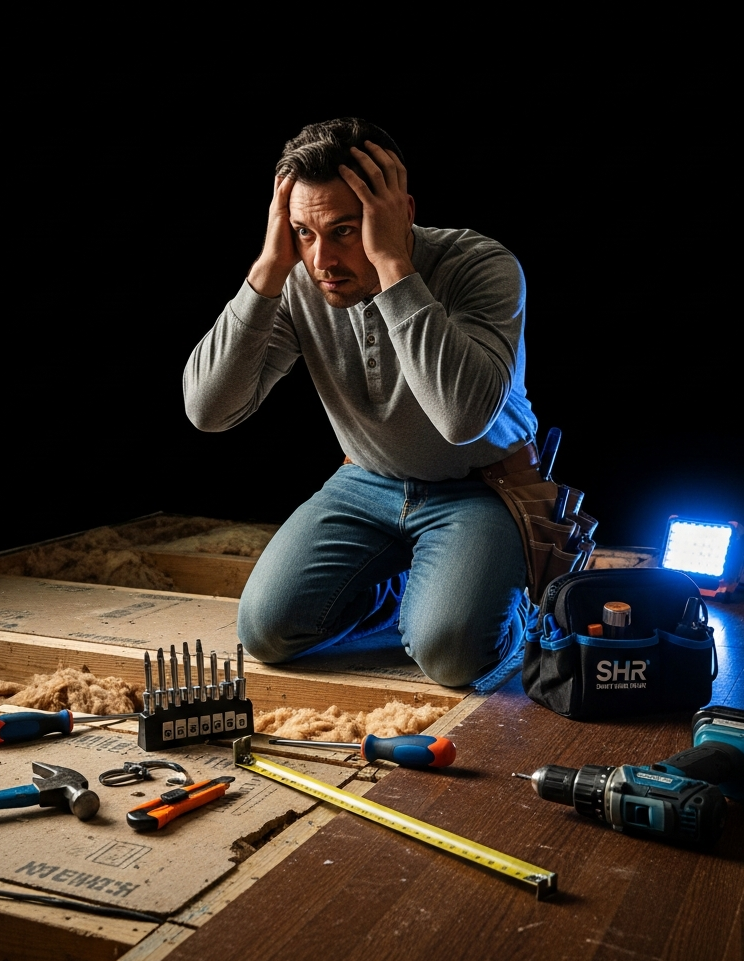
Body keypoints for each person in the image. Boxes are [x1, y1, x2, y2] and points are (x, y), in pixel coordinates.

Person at [183, 118, 539, 689]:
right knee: (265, 631)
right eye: (303, 232)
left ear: (402, 212)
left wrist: (393, 267)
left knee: (450, 656)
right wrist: (269, 270)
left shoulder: (481, 266)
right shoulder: (302, 277)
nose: (323, 259)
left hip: (482, 487)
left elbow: (462, 419)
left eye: (344, 230)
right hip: (367, 483)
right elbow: (208, 409)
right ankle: (415, 593)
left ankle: (512, 607)